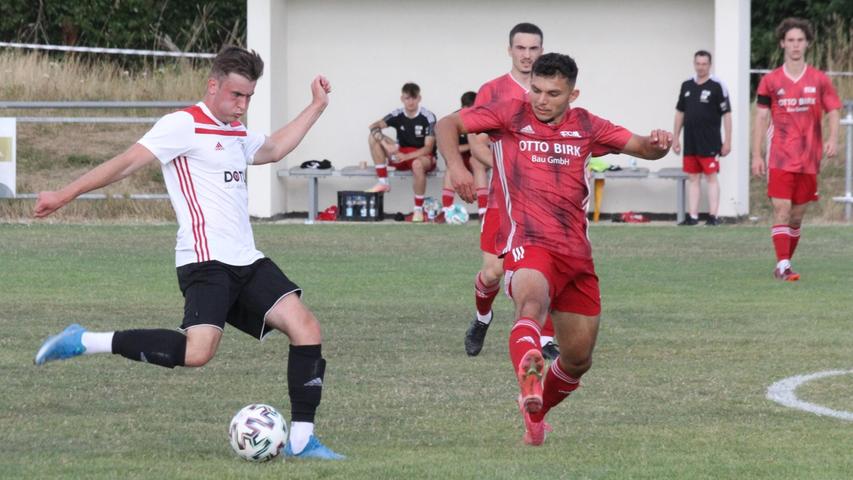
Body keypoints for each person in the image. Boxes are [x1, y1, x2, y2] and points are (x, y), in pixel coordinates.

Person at [31, 46, 344, 460]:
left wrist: (316, 106)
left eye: (249, 96)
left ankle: (302, 442)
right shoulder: (182, 125)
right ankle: (84, 340)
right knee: (197, 353)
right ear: (212, 86)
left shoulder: (235, 130)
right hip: (205, 260)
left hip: (246, 259)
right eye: (236, 95)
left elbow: (272, 149)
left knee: (307, 328)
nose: (242, 105)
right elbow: (125, 164)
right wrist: (64, 193)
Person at [436, 52, 672, 446]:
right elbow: (448, 123)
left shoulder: (588, 125)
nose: (541, 100)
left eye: (553, 93)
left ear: (572, 94)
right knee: (531, 303)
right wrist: (456, 168)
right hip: (529, 242)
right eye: (536, 90)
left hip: (577, 254)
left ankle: (536, 412)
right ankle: (528, 366)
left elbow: (643, 148)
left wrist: (658, 144)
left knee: (578, 360)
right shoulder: (510, 114)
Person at [461, 22, 559, 360]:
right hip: (503, 201)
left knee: (544, 267)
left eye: (534, 48)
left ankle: (545, 338)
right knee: (492, 273)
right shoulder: (492, 91)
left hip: (543, 204)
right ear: (510, 50)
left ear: (541, 51)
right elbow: (475, 144)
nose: (527, 55)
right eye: (521, 48)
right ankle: (482, 317)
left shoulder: (553, 89)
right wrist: (510, 169)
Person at [751, 17, 841, 281]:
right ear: (782, 44)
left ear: (807, 44)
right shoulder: (770, 80)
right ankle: (783, 266)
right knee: (781, 209)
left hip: (809, 160)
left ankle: (785, 261)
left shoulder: (819, 79)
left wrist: (833, 139)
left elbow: (834, 110)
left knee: (797, 217)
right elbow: (760, 118)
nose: (795, 45)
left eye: (800, 40)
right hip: (779, 157)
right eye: (790, 40)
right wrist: (757, 154)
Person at [672, 50, 732, 226]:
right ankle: (693, 217)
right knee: (693, 178)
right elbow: (680, 113)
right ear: (694, 63)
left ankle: (713, 216)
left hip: (710, 141)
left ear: (710, 65)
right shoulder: (687, 85)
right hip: (691, 140)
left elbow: (727, 114)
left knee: (711, 177)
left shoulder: (717, 85)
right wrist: (675, 137)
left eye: (704, 64)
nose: (701, 67)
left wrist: (728, 140)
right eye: (698, 63)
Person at [366, 82, 437, 223]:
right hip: (402, 154)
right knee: (373, 137)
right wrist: (387, 146)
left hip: (423, 157)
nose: (410, 102)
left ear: (419, 98)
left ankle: (418, 210)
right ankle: (383, 182)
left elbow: (428, 148)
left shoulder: (428, 117)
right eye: (407, 98)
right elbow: (373, 126)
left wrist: (406, 156)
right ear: (402, 98)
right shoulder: (397, 114)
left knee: (417, 164)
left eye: (413, 98)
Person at [436, 91, 487, 223]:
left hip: (479, 158)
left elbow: (485, 142)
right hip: (460, 158)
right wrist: (471, 145)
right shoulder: (453, 120)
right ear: (463, 109)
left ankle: (483, 212)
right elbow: (449, 147)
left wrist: (473, 143)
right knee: (451, 167)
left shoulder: (485, 117)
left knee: (476, 162)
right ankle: (447, 211)